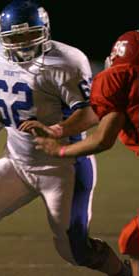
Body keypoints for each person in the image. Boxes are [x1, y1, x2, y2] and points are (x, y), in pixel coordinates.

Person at [0, 1, 131, 275]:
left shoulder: (67, 61)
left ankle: (123, 273)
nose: (21, 44)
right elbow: (3, 98)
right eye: (14, 37)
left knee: (75, 251)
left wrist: (57, 130)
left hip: (63, 167)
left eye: (28, 35)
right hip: (17, 163)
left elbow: (92, 112)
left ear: (44, 32)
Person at [33, 29, 139, 276]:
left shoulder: (121, 76)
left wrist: (60, 150)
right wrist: (59, 130)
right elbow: (100, 112)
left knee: (134, 240)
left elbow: (103, 139)